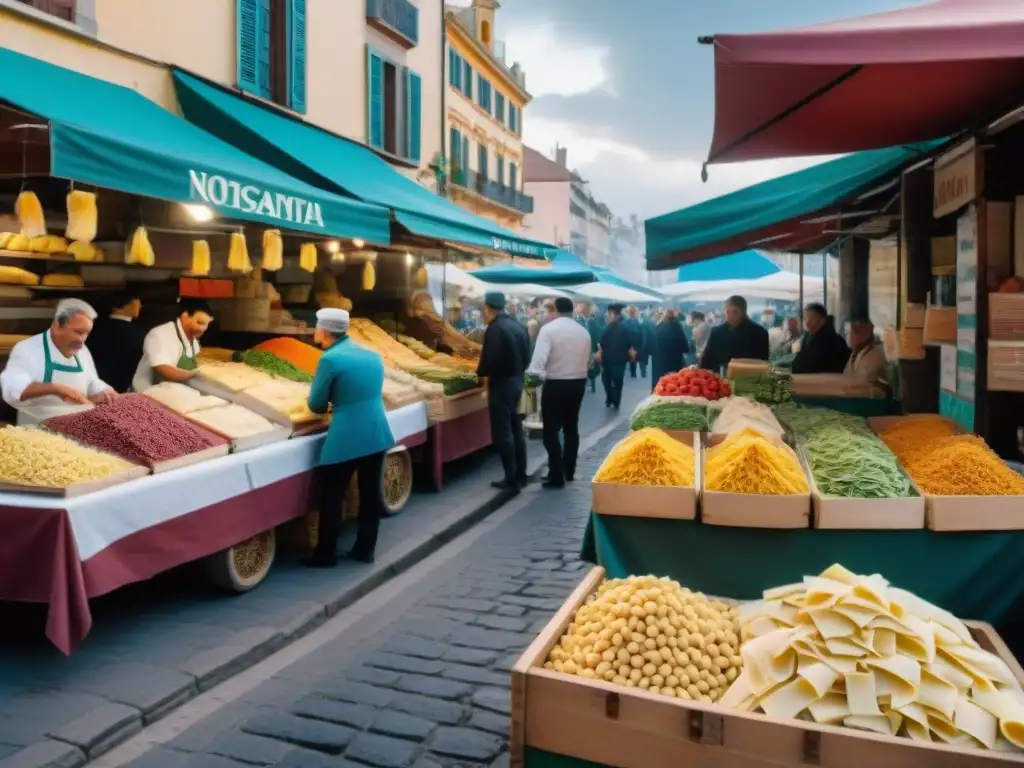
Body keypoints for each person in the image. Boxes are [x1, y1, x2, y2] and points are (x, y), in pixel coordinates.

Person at [302, 309, 394, 567]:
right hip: (377, 431)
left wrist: (328, 404)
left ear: (324, 330)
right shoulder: (371, 355)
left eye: (316, 327)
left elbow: (317, 404)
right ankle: (365, 550)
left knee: (331, 492)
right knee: (369, 493)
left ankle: (325, 554)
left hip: (348, 434)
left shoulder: (331, 359)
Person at [1, 299, 116, 420]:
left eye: (87, 333)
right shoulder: (27, 349)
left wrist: (105, 391)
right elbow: (12, 391)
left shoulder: (82, 351)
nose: (82, 339)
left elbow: (92, 381)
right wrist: (56, 389)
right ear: (57, 326)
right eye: (78, 332)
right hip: (37, 425)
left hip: (78, 423)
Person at [528, 297, 591, 489]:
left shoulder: (549, 330)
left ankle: (556, 473)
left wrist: (532, 377)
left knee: (551, 430)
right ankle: (569, 469)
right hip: (578, 383)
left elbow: (538, 361)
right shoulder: (583, 331)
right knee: (571, 427)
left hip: (555, 383)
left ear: (554, 310)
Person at [477, 292, 531, 491]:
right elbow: (528, 356)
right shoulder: (519, 325)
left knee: (504, 432)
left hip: (502, 386)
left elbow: (489, 360)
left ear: (488, 307)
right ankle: (521, 475)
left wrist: (480, 373)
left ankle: (510, 478)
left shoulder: (495, 328)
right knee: (517, 429)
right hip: (519, 382)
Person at [132, 298, 213, 392]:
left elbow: (197, 362)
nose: (203, 329)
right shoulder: (160, 334)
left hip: (179, 389)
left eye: (207, 325)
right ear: (185, 316)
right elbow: (164, 369)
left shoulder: (194, 340)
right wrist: (199, 373)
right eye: (199, 323)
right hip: (151, 391)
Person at [88, 291, 146, 394]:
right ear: (125, 305)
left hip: (92, 384)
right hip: (123, 386)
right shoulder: (138, 333)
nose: (140, 306)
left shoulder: (92, 327)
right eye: (137, 303)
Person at [699, 296, 770, 374]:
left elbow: (763, 363)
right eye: (728, 312)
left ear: (744, 312)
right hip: (720, 379)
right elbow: (706, 360)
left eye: (735, 312)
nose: (731, 316)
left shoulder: (760, 333)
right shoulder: (717, 332)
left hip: (748, 379)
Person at [792, 303, 850, 375]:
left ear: (822, 320)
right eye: (805, 318)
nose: (807, 322)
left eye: (811, 318)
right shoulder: (807, 337)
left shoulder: (834, 341)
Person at [597, 304, 634, 408]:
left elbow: (601, 343)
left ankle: (612, 399)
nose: (609, 316)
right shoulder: (621, 328)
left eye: (610, 314)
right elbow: (630, 344)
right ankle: (613, 399)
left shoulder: (610, 328)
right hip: (615, 360)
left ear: (613, 315)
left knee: (610, 381)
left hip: (612, 360)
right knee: (614, 381)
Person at [651, 310, 690, 391]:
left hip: (658, 365)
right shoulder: (676, 326)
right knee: (672, 389)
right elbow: (685, 348)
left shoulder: (658, 327)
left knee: (659, 388)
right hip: (673, 365)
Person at [844, 318, 888, 384]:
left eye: (851, 333)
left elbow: (864, 382)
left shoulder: (875, 356)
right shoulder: (855, 353)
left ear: (863, 335)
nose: (849, 336)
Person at [623, 306, 642, 378]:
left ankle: (631, 372)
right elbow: (637, 333)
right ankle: (633, 373)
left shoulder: (625, 322)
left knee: (629, 358)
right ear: (634, 313)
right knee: (633, 359)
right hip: (634, 343)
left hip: (627, 343)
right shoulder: (635, 322)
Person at [638, 311, 657, 378]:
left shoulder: (641, 324)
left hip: (644, 344)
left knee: (643, 359)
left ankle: (643, 373)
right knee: (654, 358)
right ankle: (654, 371)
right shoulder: (653, 323)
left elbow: (642, 335)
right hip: (653, 344)